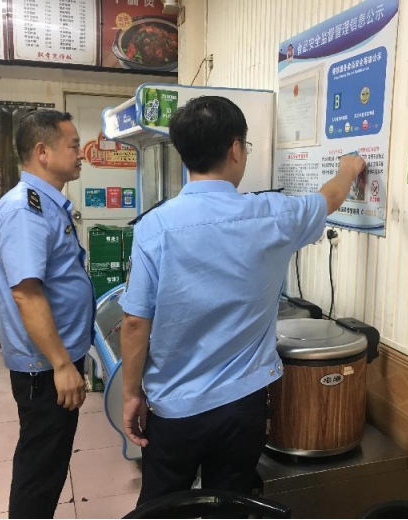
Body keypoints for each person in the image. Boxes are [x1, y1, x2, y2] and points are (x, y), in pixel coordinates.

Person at [119, 96, 366, 505]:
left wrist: (131, 395)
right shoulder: (274, 215)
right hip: (242, 405)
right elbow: (331, 198)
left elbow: (134, 322)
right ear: (235, 148)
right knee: (231, 503)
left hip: (175, 407)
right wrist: (349, 168)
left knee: (162, 505)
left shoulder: (155, 226)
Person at [0, 110, 95, 519]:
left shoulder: (47, 204)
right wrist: (62, 365)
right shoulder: (24, 210)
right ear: (42, 152)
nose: (81, 153)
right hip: (46, 365)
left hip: (55, 357)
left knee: (49, 460)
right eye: (73, 145)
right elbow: (27, 294)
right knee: (41, 467)